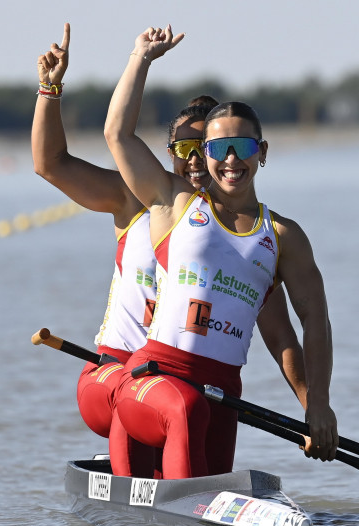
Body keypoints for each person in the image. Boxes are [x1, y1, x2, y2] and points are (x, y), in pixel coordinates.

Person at [33, 23, 311, 477]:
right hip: (119, 370)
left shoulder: (247, 244)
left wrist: (312, 411)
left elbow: (282, 336)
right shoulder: (141, 198)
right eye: (186, 148)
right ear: (169, 152)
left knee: (194, 418)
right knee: (183, 407)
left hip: (197, 386)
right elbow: (51, 164)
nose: (198, 160)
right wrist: (50, 88)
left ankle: (188, 503)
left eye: (210, 148)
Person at [104, 25, 338, 479]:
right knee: (188, 408)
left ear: (262, 153)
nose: (231, 161)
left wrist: (319, 407)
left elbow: (314, 321)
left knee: (201, 429)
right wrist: (141, 59)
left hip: (222, 392)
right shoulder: (174, 202)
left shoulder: (285, 237)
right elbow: (118, 135)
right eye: (218, 149)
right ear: (204, 154)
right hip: (152, 382)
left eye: (243, 147)